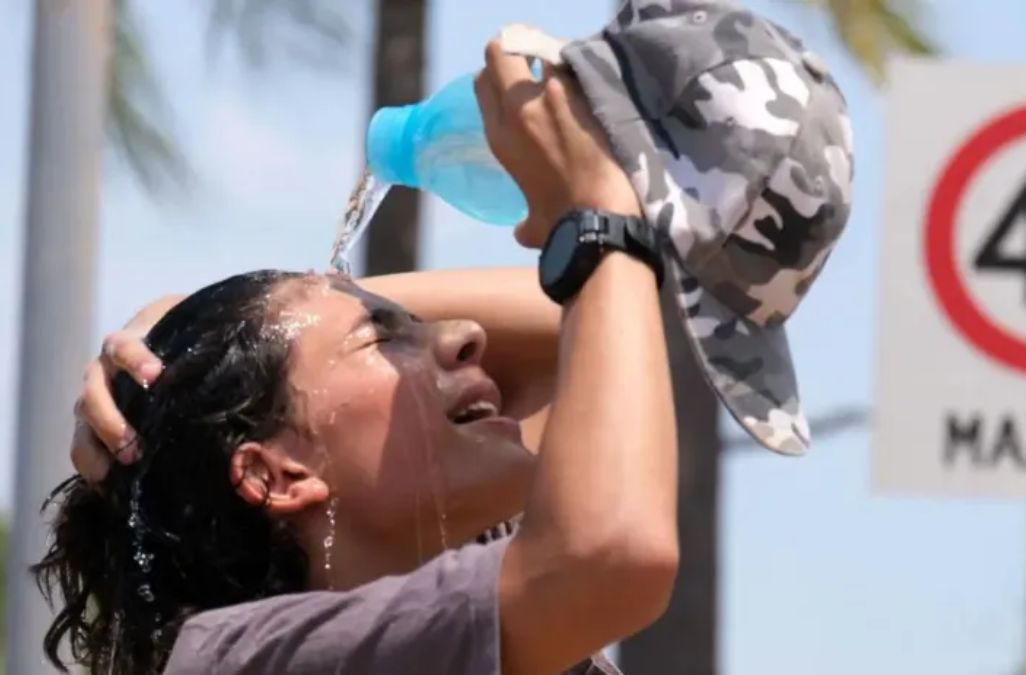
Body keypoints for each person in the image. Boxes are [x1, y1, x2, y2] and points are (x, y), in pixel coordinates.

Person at [40, 42, 676, 675]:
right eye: (382, 340)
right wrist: (599, 215)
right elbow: (612, 550)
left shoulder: (459, 602)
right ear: (276, 475)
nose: (467, 335)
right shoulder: (243, 659)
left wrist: (245, 307)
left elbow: (595, 324)